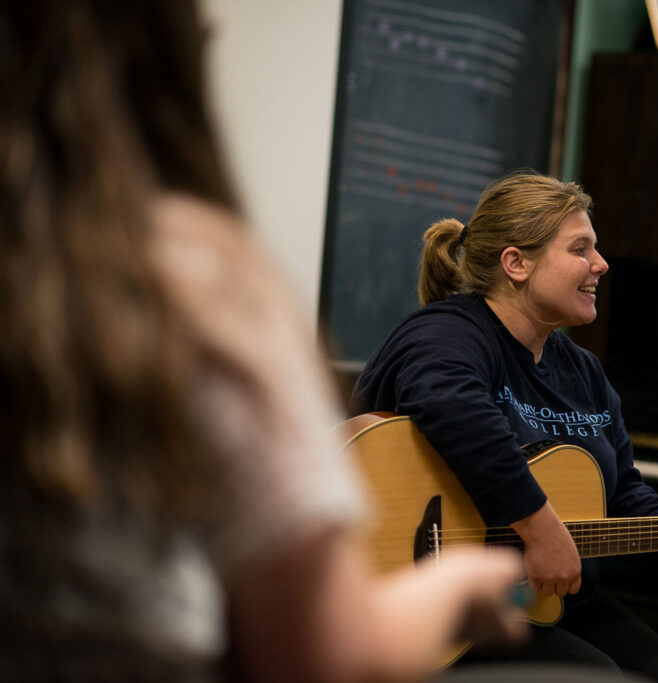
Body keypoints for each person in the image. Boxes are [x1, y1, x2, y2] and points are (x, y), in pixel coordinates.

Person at [0, 3, 528, 681]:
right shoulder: (197, 277)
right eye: (581, 247)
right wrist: (461, 585)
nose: (599, 264)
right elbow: (323, 653)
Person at [352, 171, 658, 682]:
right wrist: (540, 529)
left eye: (597, 248)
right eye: (580, 248)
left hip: (548, 597)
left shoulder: (581, 371)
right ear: (516, 264)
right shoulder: (447, 334)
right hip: (432, 596)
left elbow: (623, 496)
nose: (601, 265)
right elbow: (452, 408)